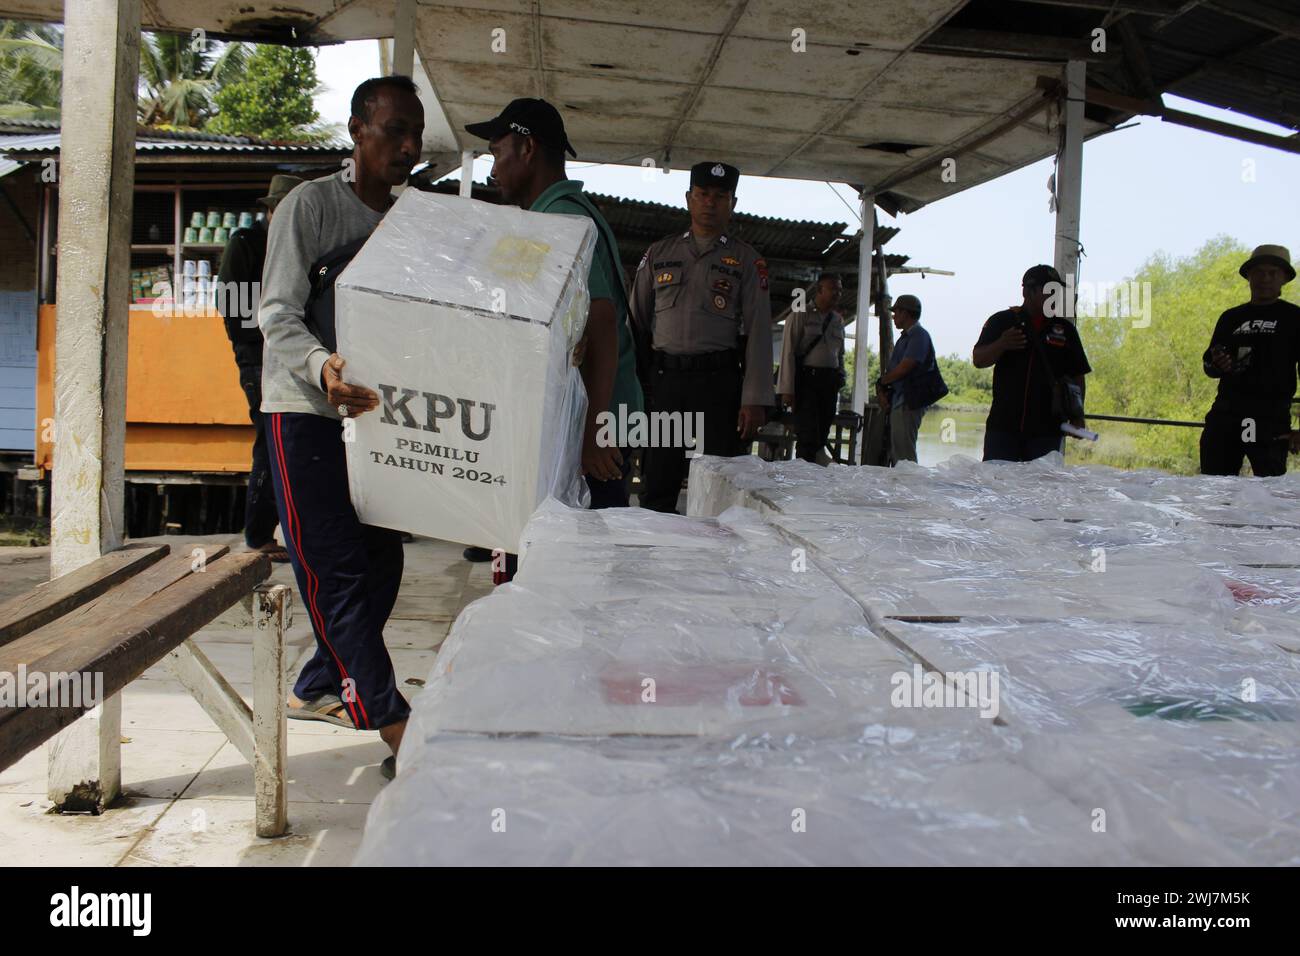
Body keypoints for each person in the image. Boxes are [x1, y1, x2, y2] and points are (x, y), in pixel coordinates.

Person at [258, 76, 424, 779]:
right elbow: (276, 314)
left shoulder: (417, 216)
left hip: (378, 422)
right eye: (394, 132)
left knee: (384, 562)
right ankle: (393, 726)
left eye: (415, 134)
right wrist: (323, 368)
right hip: (307, 415)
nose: (408, 147)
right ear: (357, 131)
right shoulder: (311, 208)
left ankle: (318, 683)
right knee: (338, 573)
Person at [463, 98, 644, 579]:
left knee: (571, 579)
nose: (492, 167)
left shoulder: (559, 219)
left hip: (589, 437)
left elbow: (601, 321)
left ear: (526, 147)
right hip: (576, 427)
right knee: (550, 572)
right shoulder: (552, 214)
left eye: (498, 151)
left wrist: (592, 433)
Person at [629, 161, 774, 512]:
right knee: (658, 481)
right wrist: (629, 388)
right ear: (689, 199)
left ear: (732, 203)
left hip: (719, 385)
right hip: (666, 383)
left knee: (721, 484)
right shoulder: (659, 254)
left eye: (720, 196)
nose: (710, 202)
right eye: (703, 194)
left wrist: (753, 399)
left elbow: (759, 330)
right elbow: (635, 322)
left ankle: (716, 562)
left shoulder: (747, 261)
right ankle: (654, 554)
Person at [217, 174, 303, 563]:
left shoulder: (296, 243)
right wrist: (264, 339)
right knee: (269, 441)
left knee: (283, 441)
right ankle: (257, 534)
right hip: (257, 355)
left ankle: (269, 531)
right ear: (271, 210)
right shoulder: (247, 243)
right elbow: (231, 307)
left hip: (289, 355)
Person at [972, 264, 1091, 463]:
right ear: (1028, 291)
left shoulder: (1065, 330)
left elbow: (1078, 374)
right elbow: (979, 360)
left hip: (1047, 432)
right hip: (1003, 429)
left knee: (1041, 491)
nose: (1054, 297)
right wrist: (1002, 344)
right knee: (998, 488)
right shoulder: (1001, 321)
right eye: (1048, 291)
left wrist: (1077, 415)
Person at [1200, 244, 1300, 476]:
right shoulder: (1230, 317)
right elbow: (1209, 363)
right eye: (1259, 272)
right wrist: (1217, 364)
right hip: (1225, 415)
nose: (1265, 278)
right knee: (1214, 489)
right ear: (1248, 277)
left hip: (1270, 418)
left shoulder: (1294, 318)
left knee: (1268, 494)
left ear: (1284, 278)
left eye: (1272, 273)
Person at [777, 274, 845, 463]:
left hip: (829, 383)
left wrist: (841, 376)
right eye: (833, 289)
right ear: (819, 290)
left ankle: (817, 480)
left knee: (821, 435)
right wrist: (787, 390)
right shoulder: (800, 314)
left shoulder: (838, 320)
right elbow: (788, 352)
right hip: (807, 382)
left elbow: (840, 354)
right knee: (807, 435)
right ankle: (802, 479)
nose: (838, 293)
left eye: (840, 289)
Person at [875, 294, 939, 464]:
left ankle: (909, 488)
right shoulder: (906, 337)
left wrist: (883, 381)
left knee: (904, 456)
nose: (894, 316)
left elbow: (906, 366)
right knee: (898, 452)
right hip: (900, 400)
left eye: (896, 312)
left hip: (908, 401)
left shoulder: (918, 335)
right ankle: (901, 488)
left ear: (906, 313)